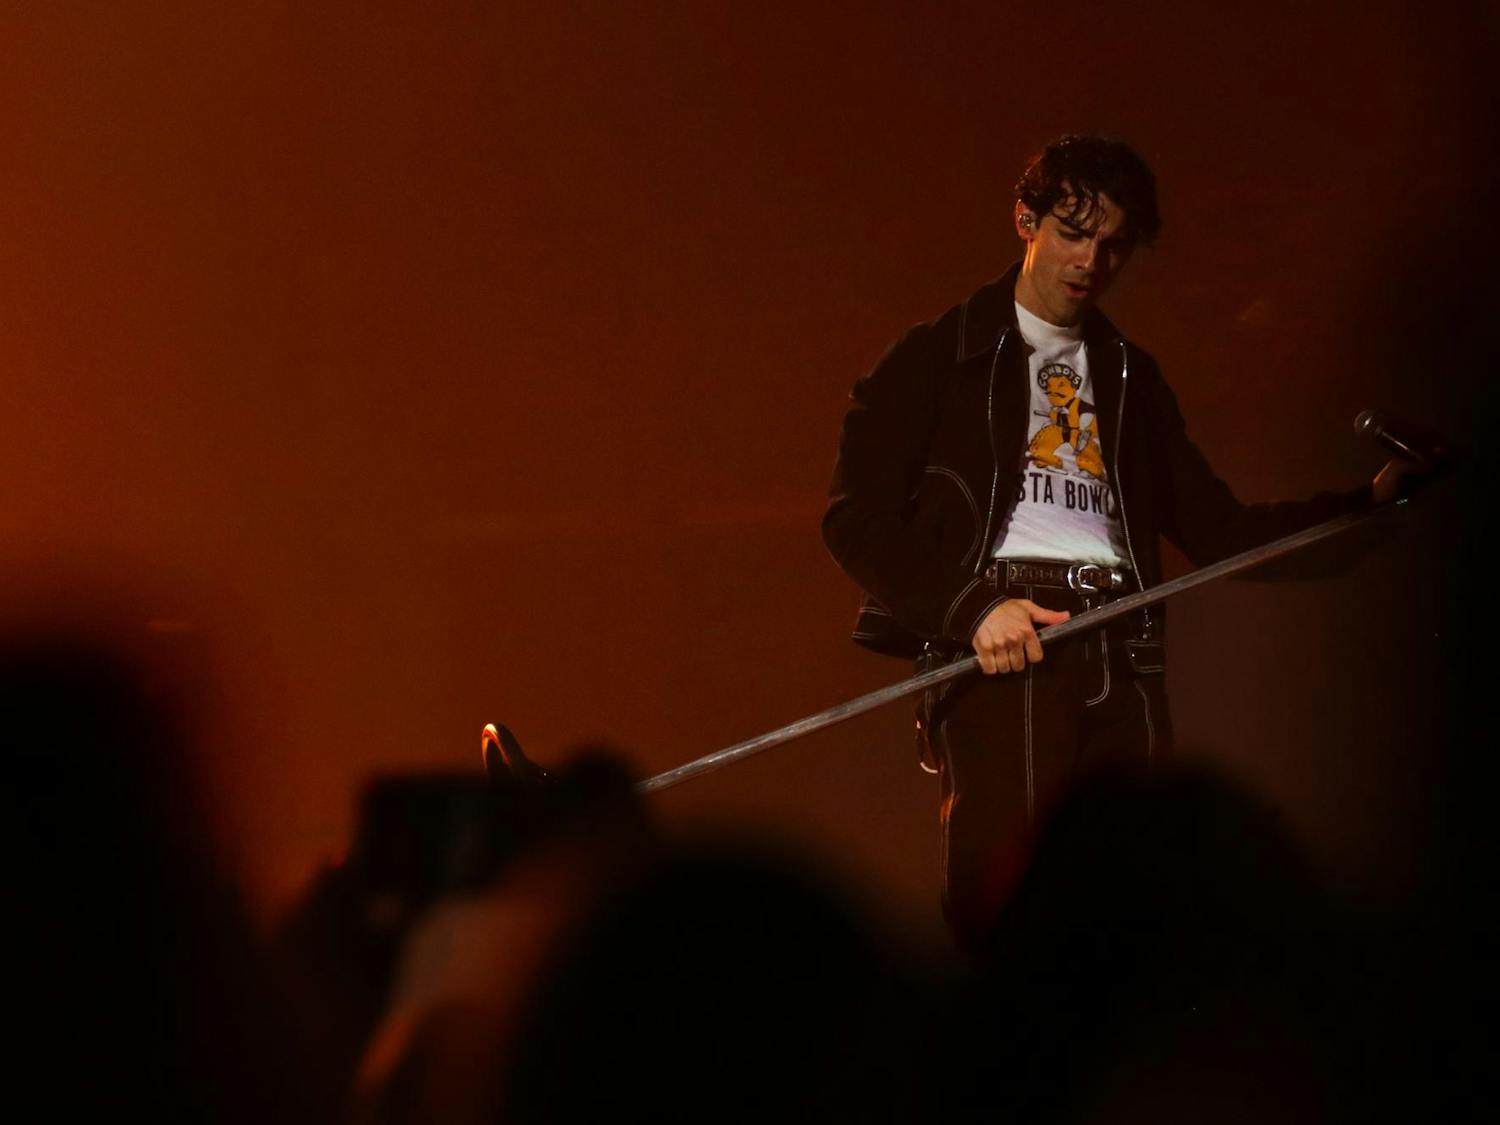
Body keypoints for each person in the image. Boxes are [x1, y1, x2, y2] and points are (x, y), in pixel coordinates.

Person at [821, 134, 1410, 944]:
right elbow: (855, 518)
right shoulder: (935, 358)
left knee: (1136, 913)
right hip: (1006, 652)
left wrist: (1366, 508)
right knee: (1012, 912)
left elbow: (1221, 528)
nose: (1090, 260)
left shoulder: (1132, 375)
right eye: (1072, 231)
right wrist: (971, 609)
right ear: (1025, 219)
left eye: (1113, 244)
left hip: (1123, 651)